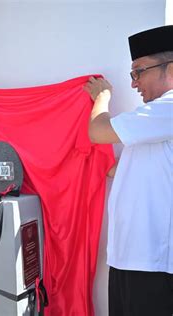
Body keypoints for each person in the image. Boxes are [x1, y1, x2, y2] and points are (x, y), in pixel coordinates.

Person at [84, 25, 173, 315]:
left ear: (169, 68)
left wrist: (103, 97)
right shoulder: (154, 120)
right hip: (129, 257)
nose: (134, 83)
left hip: (152, 261)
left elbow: (98, 131)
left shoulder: (167, 109)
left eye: (140, 71)